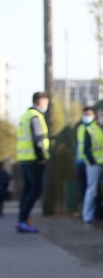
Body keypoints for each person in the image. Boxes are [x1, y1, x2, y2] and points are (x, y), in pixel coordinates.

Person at [16, 91, 50, 233]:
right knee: (36, 189)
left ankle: (22, 219)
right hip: (34, 159)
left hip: (24, 158)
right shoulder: (35, 117)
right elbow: (37, 140)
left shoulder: (25, 116)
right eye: (46, 102)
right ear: (40, 101)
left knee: (27, 190)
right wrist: (41, 157)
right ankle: (23, 219)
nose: (47, 105)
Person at [75, 106, 102, 219]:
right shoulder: (80, 128)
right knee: (83, 187)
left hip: (90, 162)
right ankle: (86, 211)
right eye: (85, 114)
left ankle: (96, 212)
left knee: (93, 189)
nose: (86, 117)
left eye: (89, 114)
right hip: (80, 161)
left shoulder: (94, 128)